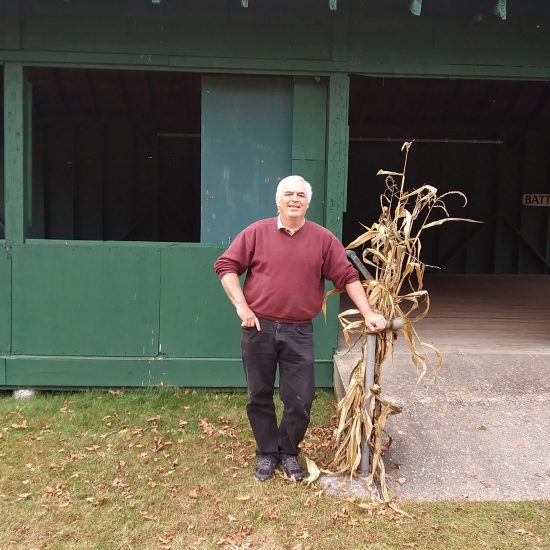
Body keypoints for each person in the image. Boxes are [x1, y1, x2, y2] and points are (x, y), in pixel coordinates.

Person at [214, 175, 385, 482]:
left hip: (298, 331)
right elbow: (226, 266)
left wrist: (368, 312)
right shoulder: (256, 232)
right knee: (259, 394)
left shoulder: (322, 238)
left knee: (301, 399)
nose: (294, 199)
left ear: (308, 201)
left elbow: (346, 276)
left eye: (300, 195)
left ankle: (288, 451)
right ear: (278, 200)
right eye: (288, 194)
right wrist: (241, 306)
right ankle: (267, 453)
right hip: (258, 328)